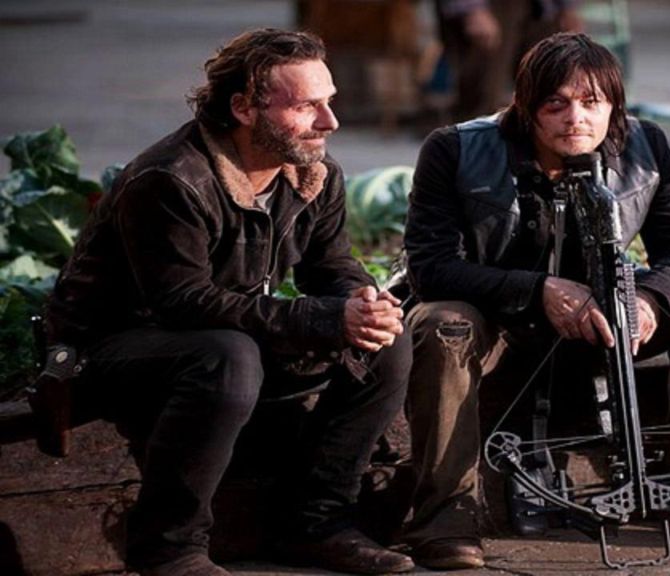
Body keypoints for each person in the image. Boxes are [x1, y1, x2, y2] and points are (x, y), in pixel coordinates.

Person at [401, 32, 670, 570]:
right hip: (500, 320)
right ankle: (447, 512)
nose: (576, 119)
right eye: (556, 104)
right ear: (526, 107)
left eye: (592, 102)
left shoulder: (644, 146)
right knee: (443, 322)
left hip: (604, 320)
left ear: (614, 105)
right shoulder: (455, 149)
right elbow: (430, 267)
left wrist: (650, 300)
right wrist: (537, 290)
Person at [44, 29, 413, 576]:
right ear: (243, 108)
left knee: (384, 346)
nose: (330, 121)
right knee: (227, 357)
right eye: (306, 106)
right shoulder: (171, 180)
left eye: (329, 101)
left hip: (222, 334)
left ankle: (315, 524)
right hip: (111, 348)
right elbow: (181, 303)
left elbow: (329, 265)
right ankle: (168, 547)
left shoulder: (313, 172)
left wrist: (363, 302)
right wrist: (321, 317)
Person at [434, 0, 582, 121]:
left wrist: (567, 6)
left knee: (545, 93)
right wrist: (472, 8)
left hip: (543, 9)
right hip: (490, 8)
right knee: (482, 100)